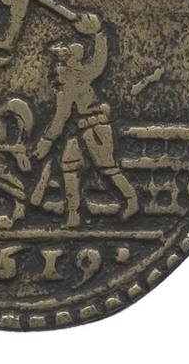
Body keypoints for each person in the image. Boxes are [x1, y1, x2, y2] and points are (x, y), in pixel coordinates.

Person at [33, 13, 138, 228]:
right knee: (69, 166)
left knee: (106, 167)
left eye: (60, 63)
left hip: (95, 128)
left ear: (69, 65)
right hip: (79, 130)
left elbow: (61, 117)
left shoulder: (74, 82)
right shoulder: (72, 82)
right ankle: (73, 215)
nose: (55, 69)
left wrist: (46, 141)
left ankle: (132, 199)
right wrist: (98, 34)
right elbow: (98, 61)